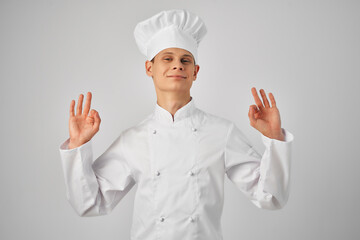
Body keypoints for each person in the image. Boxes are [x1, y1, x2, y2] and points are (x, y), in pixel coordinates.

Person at [59, 9, 294, 240]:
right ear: (149, 68)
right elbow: (90, 203)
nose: (177, 65)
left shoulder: (221, 132)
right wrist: (78, 146)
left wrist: (274, 138)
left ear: (195, 72)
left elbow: (271, 198)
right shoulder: (133, 138)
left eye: (185, 60)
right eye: (167, 58)